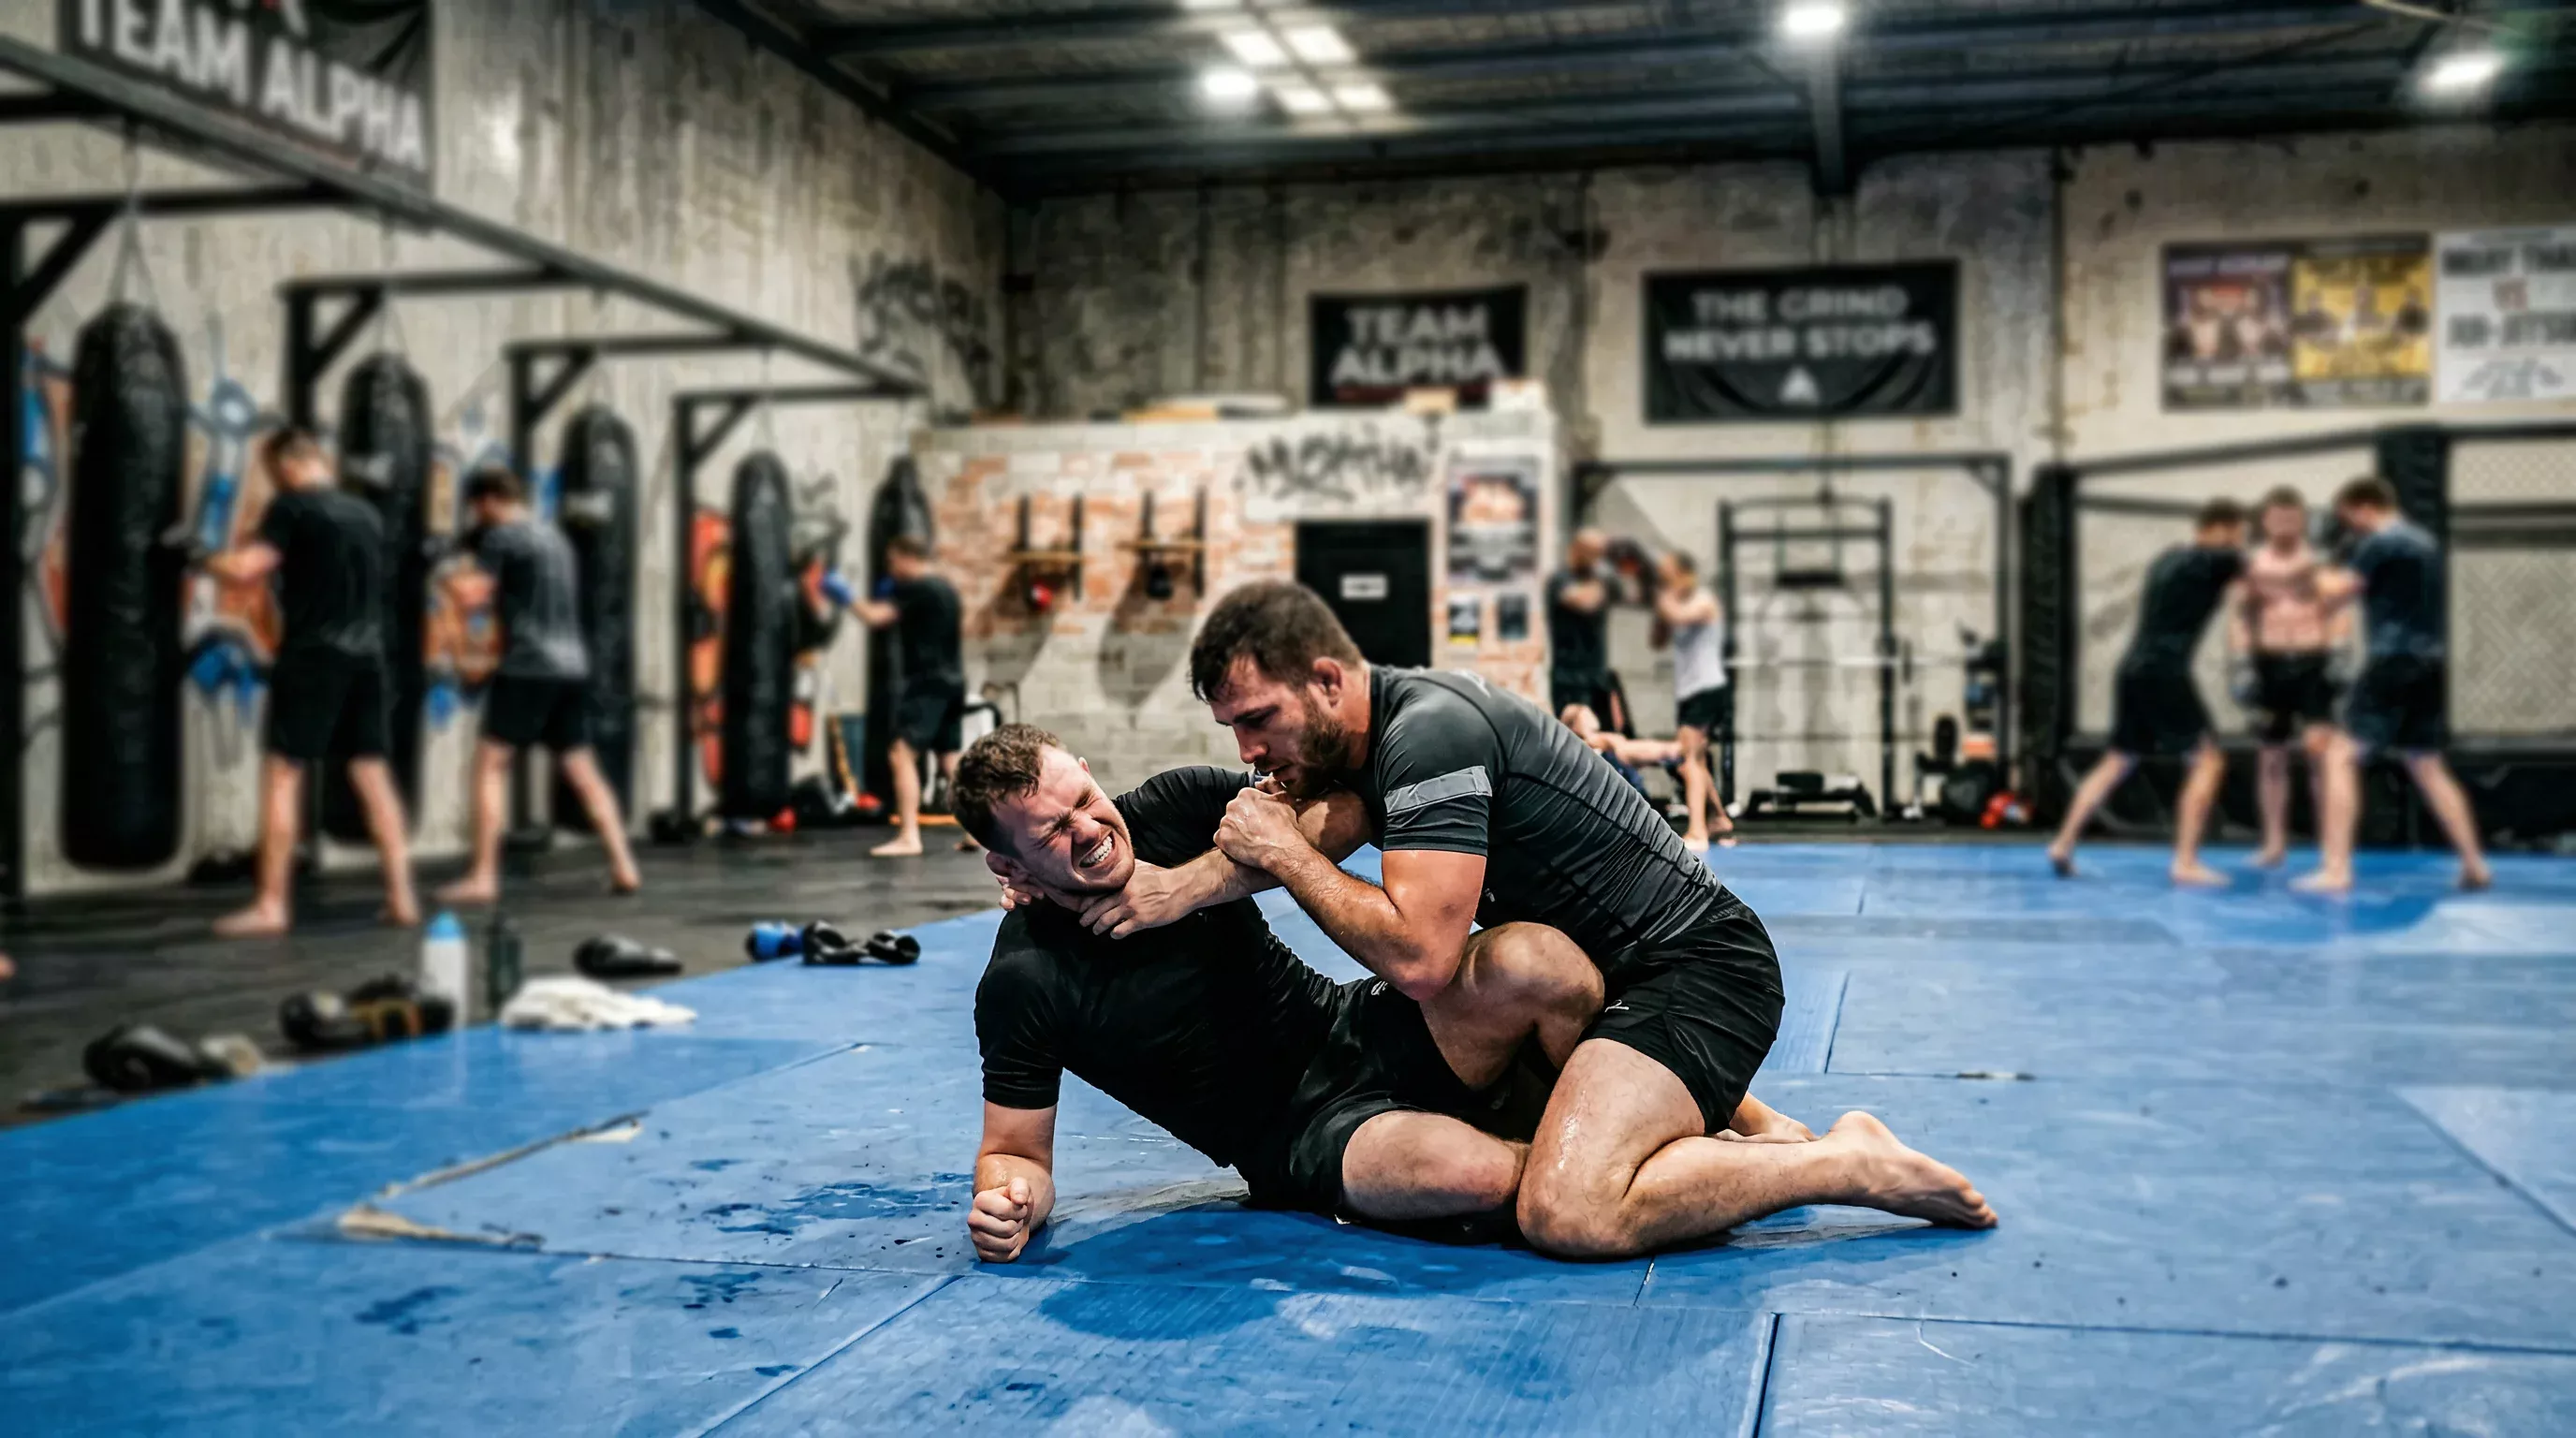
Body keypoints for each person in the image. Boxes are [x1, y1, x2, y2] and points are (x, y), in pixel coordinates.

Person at [1186, 582, 1994, 1261]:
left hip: (1700, 971)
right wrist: (1163, 890)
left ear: (1329, 681)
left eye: (1259, 719)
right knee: (1532, 967)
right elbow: (1323, 825)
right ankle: (1756, 1126)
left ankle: (1842, 1161)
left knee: (1569, 1209)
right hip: (1621, 987)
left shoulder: (1429, 734)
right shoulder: (1370, 739)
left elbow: (1424, 960)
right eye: (1232, 730)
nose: (1249, 749)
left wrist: (1288, 859)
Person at [953, 724, 1606, 1261]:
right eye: (1051, 833)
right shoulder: (1025, 979)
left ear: (1091, 771)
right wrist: (1006, 1204)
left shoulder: (1175, 808)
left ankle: (1628, 1125)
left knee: (1539, 960)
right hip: (1300, 1136)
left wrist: (1194, 884)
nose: (1090, 830)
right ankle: (1603, 1171)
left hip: (1353, 1024)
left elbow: (1346, 801)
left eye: (1085, 799)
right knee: (1470, 1173)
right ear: (1007, 867)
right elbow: (1015, 1153)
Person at [203, 427, 417, 936]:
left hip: (315, 655)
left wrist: (196, 555)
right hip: (369, 658)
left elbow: (244, 570)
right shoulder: (366, 513)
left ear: (286, 465)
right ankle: (403, 898)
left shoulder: (292, 507)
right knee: (372, 773)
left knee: (284, 774)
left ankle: (272, 906)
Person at [436, 466, 639, 904]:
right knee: (583, 769)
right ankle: (624, 864)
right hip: (571, 667)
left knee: (490, 765)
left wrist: (441, 573)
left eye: (477, 509)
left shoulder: (501, 537)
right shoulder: (554, 537)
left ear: (487, 501)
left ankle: (483, 877)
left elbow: (473, 595)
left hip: (528, 667)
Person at [2295, 477, 2491, 895]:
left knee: (2339, 756)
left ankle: (2336, 870)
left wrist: (2312, 559)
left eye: (2351, 519)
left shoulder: (2381, 541)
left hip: (2393, 659)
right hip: (2430, 662)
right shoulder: (2424, 540)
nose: (2351, 528)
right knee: (2427, 763)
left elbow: (2331, 594)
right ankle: (2474, 864)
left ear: (2364, 507)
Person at [2046, 499, 2250, 887]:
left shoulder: (2167, 559)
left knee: (2118, 761)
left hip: (2132, 669)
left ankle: (2062, 843)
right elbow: (2265, 574)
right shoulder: (2215, 560)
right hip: (2164, 672)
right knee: (2209, 761)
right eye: (2238, 535)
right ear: (2221, 529)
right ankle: (2186, 862)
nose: (2239, 543)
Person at [2230, 488, 2351, 869]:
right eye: (2277, 517)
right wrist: (2240, 662)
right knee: (2271, 758)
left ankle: (2329, 847)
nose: (2285, 524)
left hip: (2314, 662)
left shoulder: (2320, 563)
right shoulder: (2250, 565)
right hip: (2269, 665)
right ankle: (2273, 844)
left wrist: (2341, 651)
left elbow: (2337, 608)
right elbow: (2239, 615)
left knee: (2321, 757)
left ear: (2302, 519)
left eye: (2292, 516)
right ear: (2265, 521)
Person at [854, 535, 965, 858]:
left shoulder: (918, 588)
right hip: (952, 681)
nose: (891, 569)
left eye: (892, 562)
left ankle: (908, 835)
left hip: (928, 682)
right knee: (949, 762)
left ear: (906, 557)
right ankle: (979, 832)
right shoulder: (946, 589)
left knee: (901, 753)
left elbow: (875, 617)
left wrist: (844, 595)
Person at [1654, 550, 1735, 852]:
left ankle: (1698, 830)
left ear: (1685, 574)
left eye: (1669, 575)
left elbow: (1676, 616)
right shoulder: (1673, 603)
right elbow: (1658, 639)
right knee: (1695, 759)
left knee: (1688, 759)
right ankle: (1720, 819)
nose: (1666, 581)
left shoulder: (1703, 601)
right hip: (1689, 692)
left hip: (1707, 688)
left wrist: (1660, 596)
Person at [1545, 529, 1620, 731]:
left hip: (1597, 674)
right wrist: (1603, 575)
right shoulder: (1561, 579)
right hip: (1570, 677)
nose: (1597, 558)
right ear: (1577, 550)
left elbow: (1634, 595)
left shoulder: (1602, 579)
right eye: (1593, 552)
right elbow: (1587, 602)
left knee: (1603, 737)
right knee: (1577, 737)